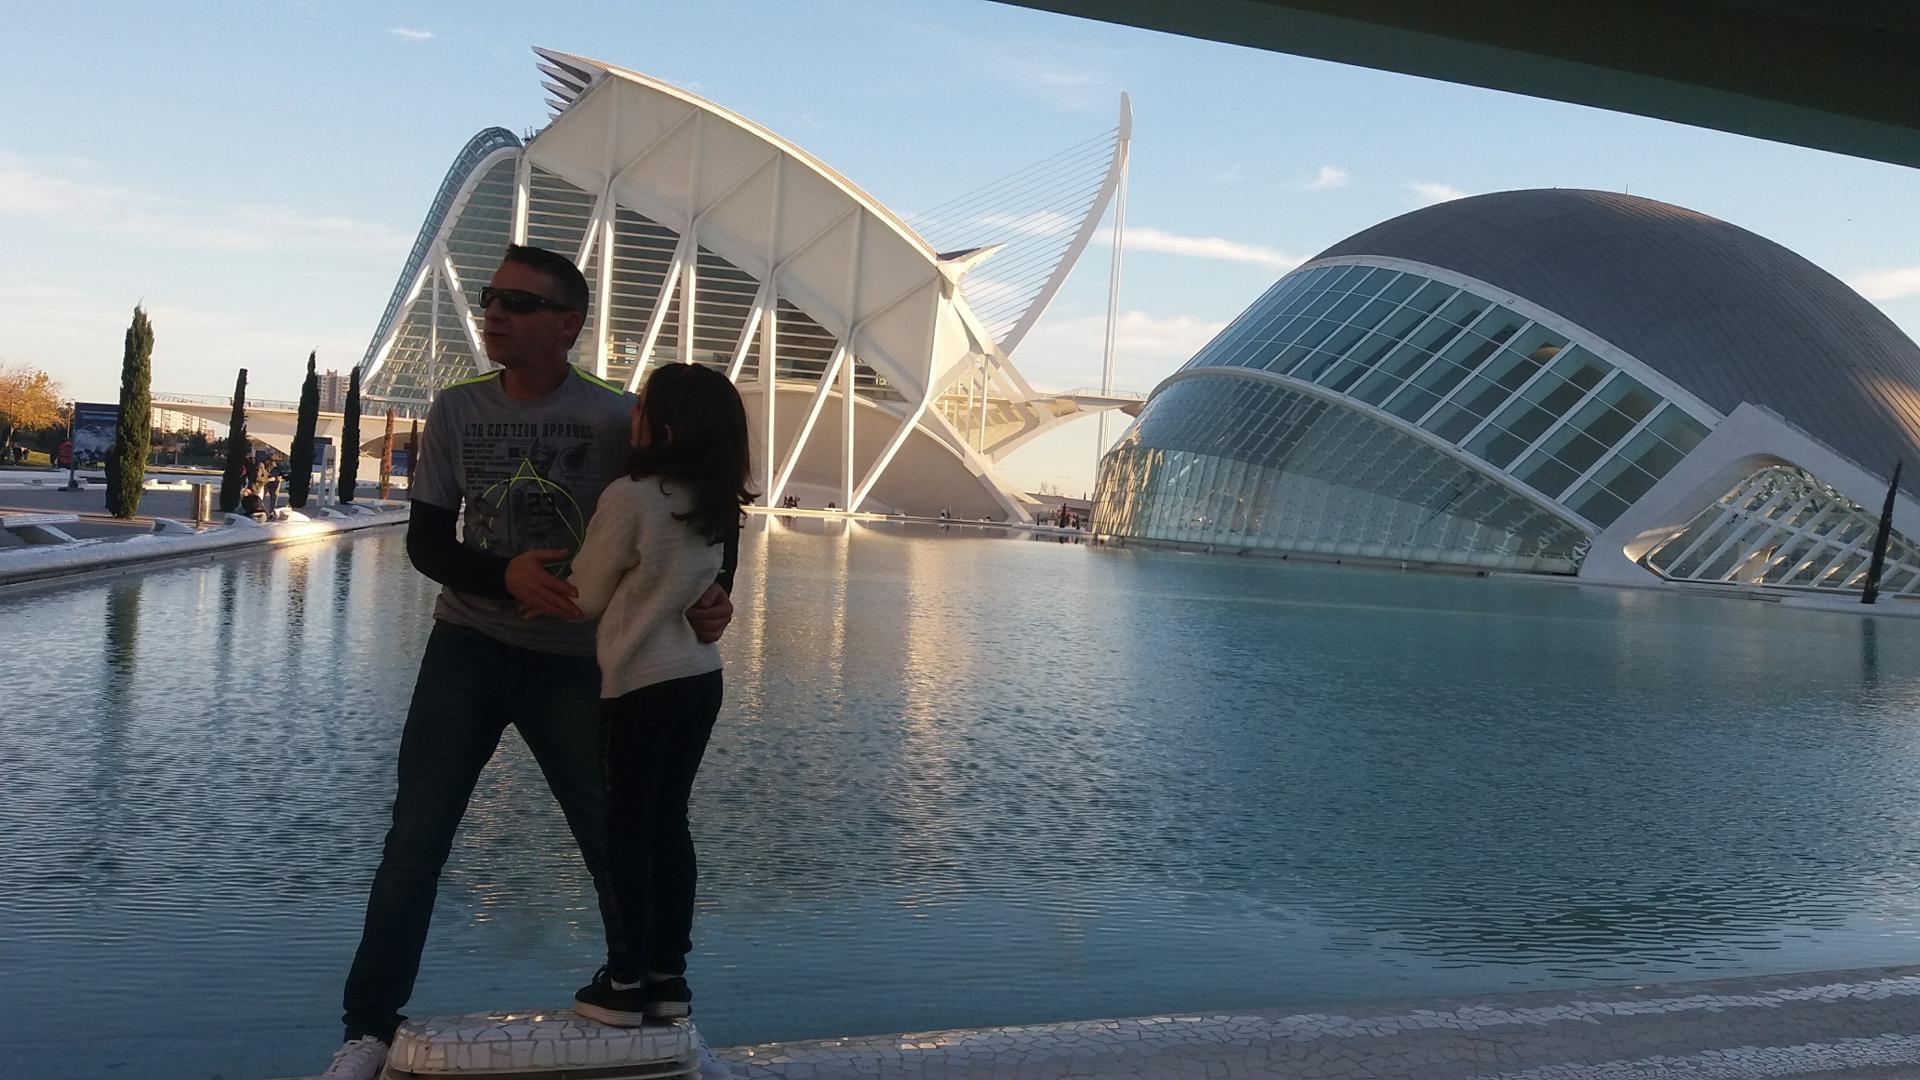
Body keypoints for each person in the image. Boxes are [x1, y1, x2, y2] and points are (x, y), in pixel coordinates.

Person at [319, 245, 737, 1080]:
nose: (495, 313)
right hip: (465, 649)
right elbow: (428, 542)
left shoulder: (617, 417)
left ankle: (645, 1001)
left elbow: (707, 500)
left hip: (579, 665)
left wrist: (718, 589)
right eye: (490, 298)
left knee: (614, 836)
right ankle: (366, 1034)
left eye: (518, 302)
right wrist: (502, 576)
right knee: (414, 843)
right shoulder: (457, 409)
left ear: (568, 323)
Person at [564, 363, 752, 1027]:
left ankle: (623, 981)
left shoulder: (633, 497)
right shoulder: (714, 502)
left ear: (665, 428)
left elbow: (584, 595)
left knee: (625, 832)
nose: (631, 415)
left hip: (640, 684)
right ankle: (668, 976)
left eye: (641, 406)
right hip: (700, 678)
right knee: (669, 826)